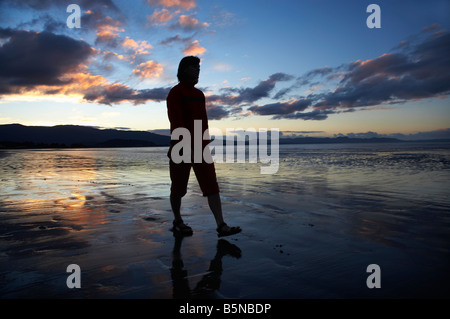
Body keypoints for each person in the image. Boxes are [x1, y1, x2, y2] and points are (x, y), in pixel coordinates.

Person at [167, 56, 241, 237]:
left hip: (201, 149)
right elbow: (177, 121)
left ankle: (221, 225)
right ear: (183, 69)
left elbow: (202, 122)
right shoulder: (176, 93)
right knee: (178, 189)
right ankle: (177, 220)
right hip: (181, 148)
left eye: (199, 67)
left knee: (212, 187)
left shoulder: (200, 95)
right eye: (194, 67)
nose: (197, 70)